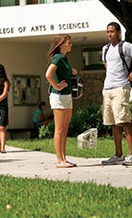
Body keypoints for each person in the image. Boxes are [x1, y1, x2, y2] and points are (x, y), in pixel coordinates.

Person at [101, 22, 132, 166]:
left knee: (124, 121)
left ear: (119, 32)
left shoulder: (126, 46)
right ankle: (118, 154)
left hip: (121, 87)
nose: (110, 34)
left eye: (112, 32)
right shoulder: (105, 49)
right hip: (108, 88)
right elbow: (106, 65)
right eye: (108, 32)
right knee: (113, 123)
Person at [45, 34, 77, 168]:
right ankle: (59, 160)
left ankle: (64, 158)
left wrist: (72, 71)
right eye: (68, 43)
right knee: (59, 129)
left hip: (67, 95)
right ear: (61, 44)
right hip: (59, 96)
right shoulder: (57, 57)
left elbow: (64, 73)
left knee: (64, 129)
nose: (71, 45)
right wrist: (56, 86)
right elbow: (48, 74)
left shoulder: (64, 59)